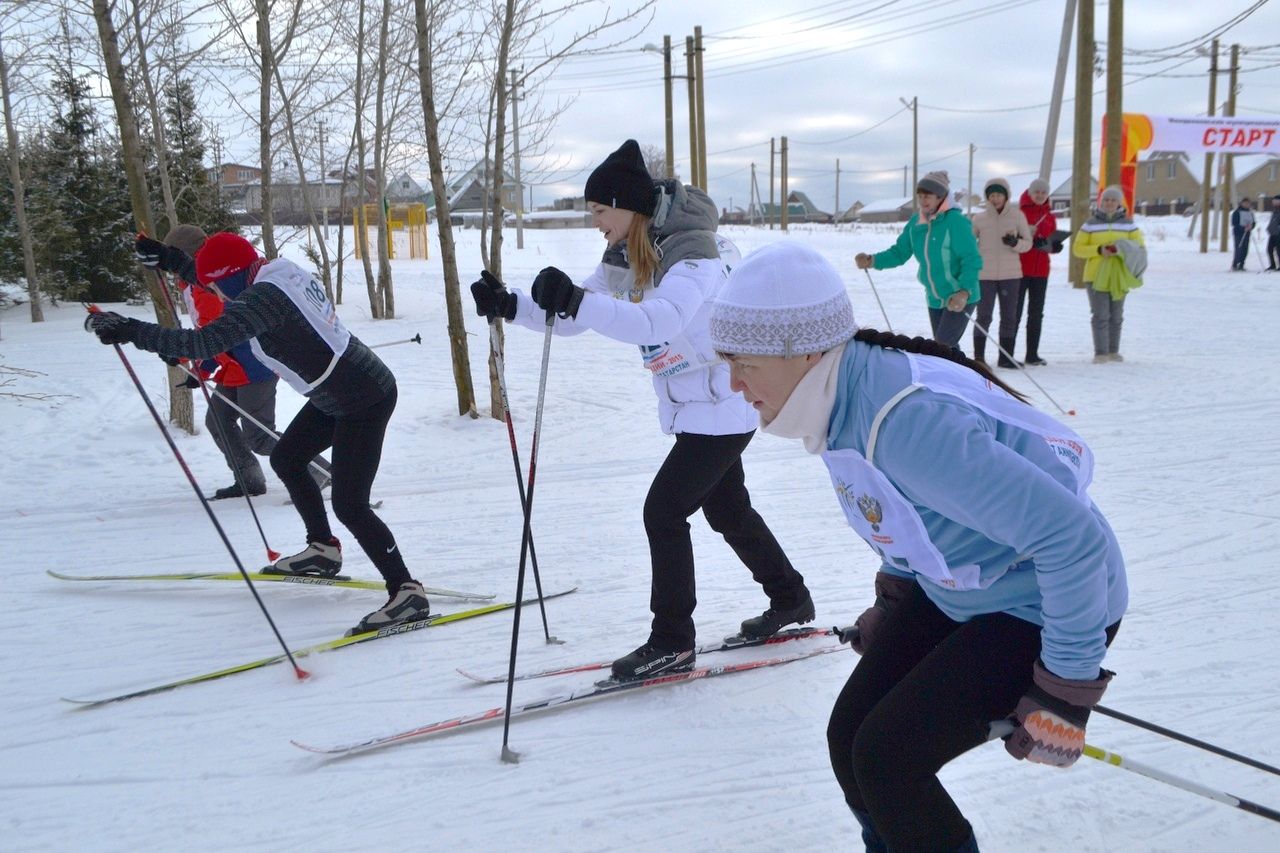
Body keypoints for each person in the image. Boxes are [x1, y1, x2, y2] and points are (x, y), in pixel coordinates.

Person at [708, 242, 1127, 853]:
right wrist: (896, 600)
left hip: (1046, 601)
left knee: (888, 758)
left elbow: (1073, 541)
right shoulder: (834, 395)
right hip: (967, 588)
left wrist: (1065, 687)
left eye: (743, 361)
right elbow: (901, 518)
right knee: (849, 736)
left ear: (803, 349)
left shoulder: (903, 421)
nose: (733, 382)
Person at [469, 139, 813, 681]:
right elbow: (579, 312)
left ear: (629, 206)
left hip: (727, 402)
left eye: (601, 211)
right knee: (727, 510)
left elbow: (660, 321)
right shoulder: (629, 251)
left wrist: (579, 301)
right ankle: (791, 598)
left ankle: (673, 640)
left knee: (664, 511)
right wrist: (512, 305)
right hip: (702, 407)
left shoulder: (693, 253)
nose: (596, 223)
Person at [87, 232, 427, 635]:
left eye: (216, 286)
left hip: (362, 399)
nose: (213, 291)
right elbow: (215, 274)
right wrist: (169, 259)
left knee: (350, 505)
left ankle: (406, 591)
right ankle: (322, 551)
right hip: (336, 391)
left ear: (231, 280)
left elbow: (205, 340)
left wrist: (131, 330)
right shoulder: (269, 272)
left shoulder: (263, 299)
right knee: (287, 458)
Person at [135, 227, 331, 499]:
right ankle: (248, 479)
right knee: (218, 420)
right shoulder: (196, 282)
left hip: (254, 367)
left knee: (259, 435)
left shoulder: (210, 285)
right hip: (232, 367)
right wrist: (199, 367)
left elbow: (219, 334)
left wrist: (196, 364)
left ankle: (323, 474)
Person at [855, 170, 982, 353]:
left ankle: (956, 378)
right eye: (920, 196)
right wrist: (872, 260)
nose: (923, 201)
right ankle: (958, 377)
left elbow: (971, 259)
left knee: (941, 346)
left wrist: (964, 292)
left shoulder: (956, 222)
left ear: (941, 197)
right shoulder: (916, 223)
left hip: (960, 295)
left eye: (928, 196)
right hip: (935, 298)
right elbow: (900, 252)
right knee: (947, 348)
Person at [1072, 185, 1146, 363]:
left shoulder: (1129, 224)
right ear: (1100, 202)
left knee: (1116, 314)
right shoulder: (1090, 224)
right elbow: (1078, 249)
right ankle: (1101, 352)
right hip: (1095, 275)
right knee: (1100, 314)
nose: (1109, 203)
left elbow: (1139, 247)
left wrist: (1120, 249)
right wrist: (1099, 250)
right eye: (1106, 200)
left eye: (1113, 200)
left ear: (1119, 203)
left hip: (1119, 275)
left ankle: (1113, 350)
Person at [970, 177, 1031, 367]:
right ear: (987, 197)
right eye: (992, 195)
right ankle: (979, 358)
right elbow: (969, 245)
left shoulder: (1017, 216)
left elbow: (1028, 243)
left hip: (1011, 275)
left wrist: (1015, 243)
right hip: (984, 276)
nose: (995, 199)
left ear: (1006, 196)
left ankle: (1006, 358)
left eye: (999, 194)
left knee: (1009, 317)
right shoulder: (979, 218)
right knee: (984, 317)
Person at [1016, 178, 1058, 365]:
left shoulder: (1050, 216)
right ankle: (1007, 354)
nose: (1040, 195)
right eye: (1037, 192)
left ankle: (1032, 354)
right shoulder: (1019, 213)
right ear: (1030, 193)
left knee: (1036, 313)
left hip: (1041, 270)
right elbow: (1010, 238)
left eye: (1043, 192)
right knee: (1014, 313)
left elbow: (1052, 239)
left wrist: (1053, 246)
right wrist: (1025, 236)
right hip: (1019, 269)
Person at [1230, 197, 1255, 271]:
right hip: (1238, 233)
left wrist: (1251, 226)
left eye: (1248, 203)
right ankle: (1235, 264)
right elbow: (1234, 223)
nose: (1247, 205)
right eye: (1245, 203)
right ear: (1242, 203)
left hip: (1247, 233)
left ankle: (1242, 264)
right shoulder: (1237, 212)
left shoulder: (1250, 212)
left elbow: (1253, 222)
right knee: (1239, 248)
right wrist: (1243, 228)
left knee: (1245, 249)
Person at [1265, 195, 1280, 271]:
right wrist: (1269, 228)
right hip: (1273, 233)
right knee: (1269, 249)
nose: (1274, 203)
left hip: (1278, 233)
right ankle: (1272, 265)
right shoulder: (1275, 210)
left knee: (1279, 250)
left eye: (1276, 201)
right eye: (1273, 201)